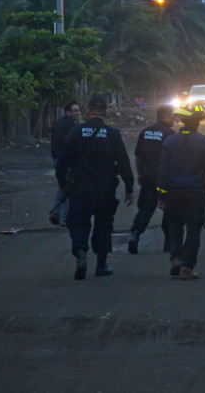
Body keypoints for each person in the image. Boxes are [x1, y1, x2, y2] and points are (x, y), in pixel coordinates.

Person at [56, 95, 134, 280]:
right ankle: (102, 264)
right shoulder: (112, 134)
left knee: (79, 223)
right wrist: (129, 188)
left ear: (88, 111)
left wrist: (63, 184)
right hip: (105, 188)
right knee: (104, 225)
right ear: (105, 113)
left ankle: (81, 256)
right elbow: (124, 164)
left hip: (80, 187)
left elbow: (62, 163)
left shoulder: (76, 132)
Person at [156, 104, 205, 280]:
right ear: (198, 122)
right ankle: (187, 266)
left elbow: (162, 171)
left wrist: (161, 194)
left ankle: (176, 257)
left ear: (182, 121)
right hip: (195, 192)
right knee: (193, 229)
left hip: (173, 192)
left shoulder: (169, 142)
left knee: (175, 225)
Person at [127, 105, 175, 254]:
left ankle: (135, 234)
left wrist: (141, 174)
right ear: (165, 116)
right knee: (169, 208)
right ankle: (169, 242)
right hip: (164, 177)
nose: (174, 119)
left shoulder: (145, 132)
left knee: (146, 207)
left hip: (148, 175)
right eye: (172, 116)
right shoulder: (170, 134)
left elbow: (138, 156)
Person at [49, 101, 80, 226]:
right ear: (68, 112)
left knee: (62, 185)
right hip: (67, 161)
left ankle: (56, 212)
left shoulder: (58, 124)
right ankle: (64, 218)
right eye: (75, 110)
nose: (78, 113)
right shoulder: (72, 127)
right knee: (69, 188)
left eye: (78, 110)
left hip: (57, 160)